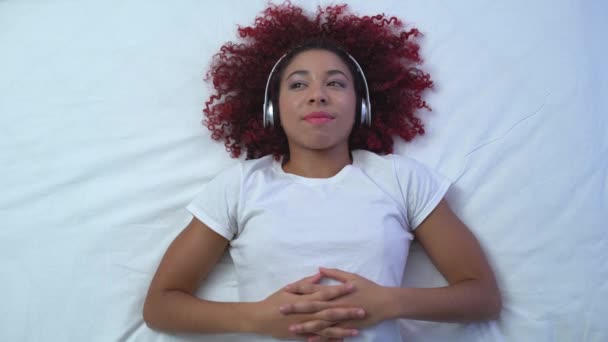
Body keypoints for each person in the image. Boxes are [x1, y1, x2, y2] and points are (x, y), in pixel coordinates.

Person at [143, 2, 501, 341]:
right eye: (298, 84)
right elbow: (160, 305)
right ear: (272, 108)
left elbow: (482, 296)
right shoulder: (239, 186)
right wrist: (255, 317)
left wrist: (389, 302)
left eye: (335, 83)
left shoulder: (401, 179)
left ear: (361, 105)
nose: (318, 95)